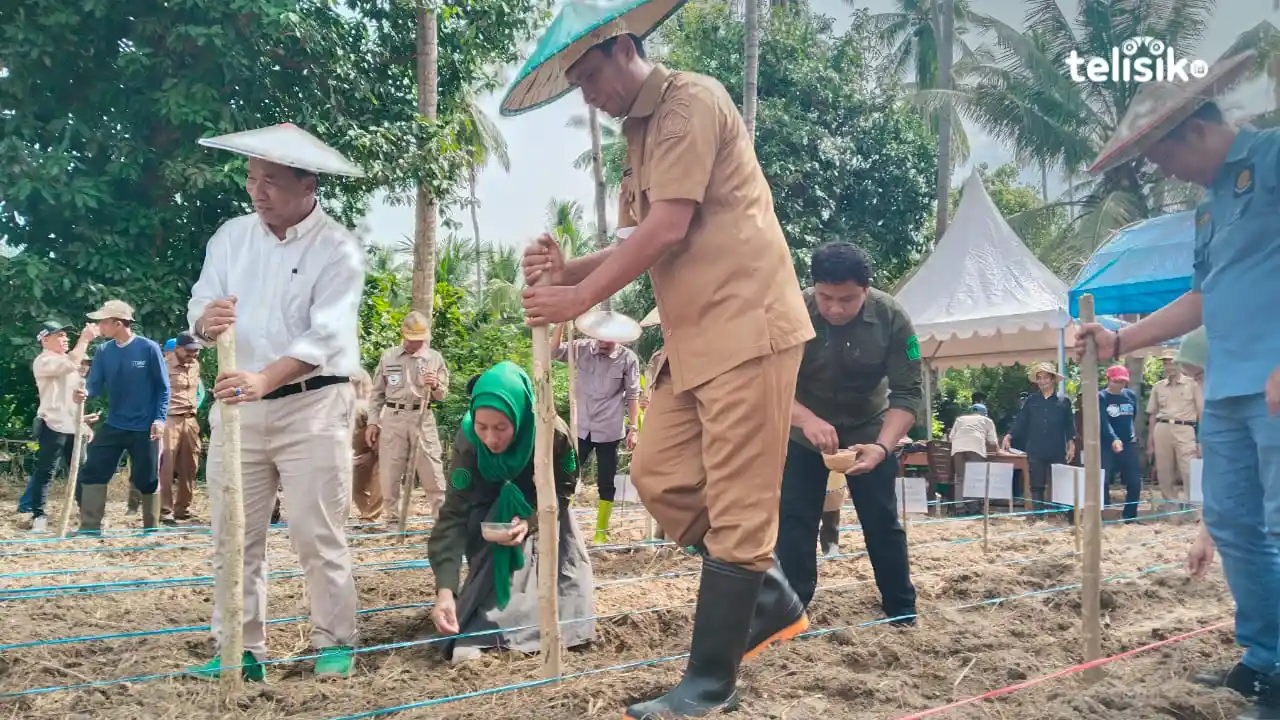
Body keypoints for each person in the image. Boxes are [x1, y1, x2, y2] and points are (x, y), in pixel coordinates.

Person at [505, 7, 815, 716]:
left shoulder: (689, 103)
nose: (588, 96)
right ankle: (765, 596)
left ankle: (710, 685)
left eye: (588, 78)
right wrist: (567, 269)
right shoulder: (637, 136)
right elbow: (639, 240)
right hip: (693, 339)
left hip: (746, 325)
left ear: (622, 48)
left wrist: (577, 294)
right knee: (658, 475)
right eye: (576, 85)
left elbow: (669, 226)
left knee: (739, 511)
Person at [1073, 51, 1278, 718]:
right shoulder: (1206, 213)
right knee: (1233, 523)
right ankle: (1263, 660)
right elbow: (1202, 297)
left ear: (1192, 131)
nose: (1165, 174)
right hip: (1227, 388)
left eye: (1163, 159)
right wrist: (1120, 340)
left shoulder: (1272, 159)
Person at [183, 123, 365, 682]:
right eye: (251, 178)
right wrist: (203, 321)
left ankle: (335, 643)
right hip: (239, 407)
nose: (256, 191)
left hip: (312, 405)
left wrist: (267, 379)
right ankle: (240, 650)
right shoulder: (231, 238)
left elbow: (327, 336)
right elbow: (199, 301)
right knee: (234, 534)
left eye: (271, 181)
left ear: (308, 184)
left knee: (316, 532)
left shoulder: (338, 247)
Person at [780, 242, 921, 622]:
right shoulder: (790, 311)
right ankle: (791, 612)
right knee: (794, 522)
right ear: (813, 287)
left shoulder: (893, 317)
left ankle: (901, 608)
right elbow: (769, 384)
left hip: (870, 429)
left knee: (882, 519)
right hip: (801, 431)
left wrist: (882, 446)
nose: (835, 309)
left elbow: (908, 394)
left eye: (847, 299)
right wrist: (807, 420)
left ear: (866, 289)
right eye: (825, 297)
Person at [427, 361, 596, 663]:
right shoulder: (469, 442)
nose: (491, 438)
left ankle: (560, 627)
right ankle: (486, 629)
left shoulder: (550, 430)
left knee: (556, 555)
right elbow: (453, 516)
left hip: (542, 502)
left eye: (501, 427)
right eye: (482, 427)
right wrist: (444, 591)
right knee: (496, 557)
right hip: (491, 503)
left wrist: (531, 520)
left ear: (520, 417)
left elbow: (564, 489)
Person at [74, 300, 169, 533]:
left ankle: (150, 528)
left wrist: (159, 419)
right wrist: (85, 392)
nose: (100, 327)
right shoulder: (104, 351)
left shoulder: (148, 348)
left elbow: (163, 388)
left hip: (145, 426)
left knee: (146, 478)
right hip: (115, 424)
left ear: (118, 323)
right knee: (93, 470)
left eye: (103, 322)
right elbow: (95, 384)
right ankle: (89, 527)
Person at [551, 322, 641, 544]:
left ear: (617, 338)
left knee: (606, 480)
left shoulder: (627, 359)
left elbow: (632, 394)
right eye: (600, 338)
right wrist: (561, 323)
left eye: (608, 340)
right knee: (567, 473)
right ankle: (561, 525)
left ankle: (601, 532)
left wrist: (634, 428)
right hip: (580, 426)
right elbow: (553, 351)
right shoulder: (581, 348)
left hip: (609, 429)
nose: (603, 343)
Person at [366, 311, 449, 522]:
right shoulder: (389, 357)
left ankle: (441, 520)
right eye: (412, 340)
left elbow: (442, 395)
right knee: (390, 472)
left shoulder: (434, 358)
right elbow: (376, 394)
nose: (415, 344)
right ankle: (394, 520)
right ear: (403, 335)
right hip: (393, 417)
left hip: (422, 414)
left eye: (420, 340)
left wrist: (435, 384)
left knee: (432, 470)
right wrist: (373, 422)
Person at [23, 321, 99, 531]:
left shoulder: (68, 361)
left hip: (74, 426)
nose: (65, 339)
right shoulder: (43, 360)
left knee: (82, 472)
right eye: (60, 336)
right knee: (46, 472)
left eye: (67, 336)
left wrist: (84, 422)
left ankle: (89, 516)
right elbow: (72, 363)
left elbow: (72, 398)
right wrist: (84, 339)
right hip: (52, 424)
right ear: (44, 339)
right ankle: (39, 515)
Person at [1003, 363, 1075, 507]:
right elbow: (1021, 420)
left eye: (1046, 378)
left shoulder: (1064, 401)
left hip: (1057, 448)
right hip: (1036, 448)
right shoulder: (1032, 401)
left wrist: (1071, 444)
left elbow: (1069, 425)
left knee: (1059, 482)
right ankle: (1037, 516)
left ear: (1053, 379)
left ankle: (1060, 515)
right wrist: (1009, 435)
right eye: (1040, 378)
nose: (1043, 381)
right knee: (1037, 484)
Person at [158, 331, 205, 522]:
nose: (193, 354)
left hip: (191, 420)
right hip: (169, 419)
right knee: (166, 466)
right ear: (177, 348)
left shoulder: (195, 364)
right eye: (188, 350)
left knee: (190, 466)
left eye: (196, 351)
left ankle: (183, 509)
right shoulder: (162, 365)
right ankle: (164, 510)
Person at [1147, 348, 1203, 504]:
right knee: (1164, 473)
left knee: (1189, 470)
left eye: (1171, 362)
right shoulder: (1158, 387)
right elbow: (1152, 415)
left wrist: (1201, 440)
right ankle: (1171, 513)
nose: (1168, 366)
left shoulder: (1192, 385)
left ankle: (1194, 510)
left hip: (1185, 428)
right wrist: (1150, 441)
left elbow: (1201, 413)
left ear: (1180, 363)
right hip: (1162, 428)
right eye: (1165, 363)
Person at [1099, 365, 1142, 521]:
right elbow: (1103, 421)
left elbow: (1133, 416)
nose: (1119, 385)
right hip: (1106, 444)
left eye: (1123, 382)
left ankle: (1130, 516)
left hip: (1129, 443)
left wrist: (1129, 436)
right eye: (1116, 381)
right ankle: (1104, 513)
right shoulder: (1101, 397)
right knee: (1103, 480)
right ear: (1108, 379)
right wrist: (1113, 438)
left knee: (1135, 481)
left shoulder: (1130, 395)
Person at [947, 403, 999, 510]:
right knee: (975, 478)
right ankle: (973, 507)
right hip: (976, 448)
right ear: (985, 413)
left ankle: (959, 507)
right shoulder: (987, 420)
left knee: (960, 478)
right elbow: (992, 441)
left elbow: (951, 438)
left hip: (958, 449)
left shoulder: (960, 419)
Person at [351, 369, 383, 522]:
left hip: (383, 448)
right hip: (362, 451)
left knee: (381, 476)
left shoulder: (365, 407)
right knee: (354, 480)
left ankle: (371, 517)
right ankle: (366, 513)